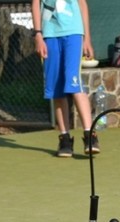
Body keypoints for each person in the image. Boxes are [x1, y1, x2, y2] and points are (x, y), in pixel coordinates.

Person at [33, 0, 99, 158]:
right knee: (56, 89)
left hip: (73, 33)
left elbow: (82, 4)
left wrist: (87, 39)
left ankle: (90, 135)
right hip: (49, 35)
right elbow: (35, 4)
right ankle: (65, 139)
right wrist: (38, 35)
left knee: (74, 83)